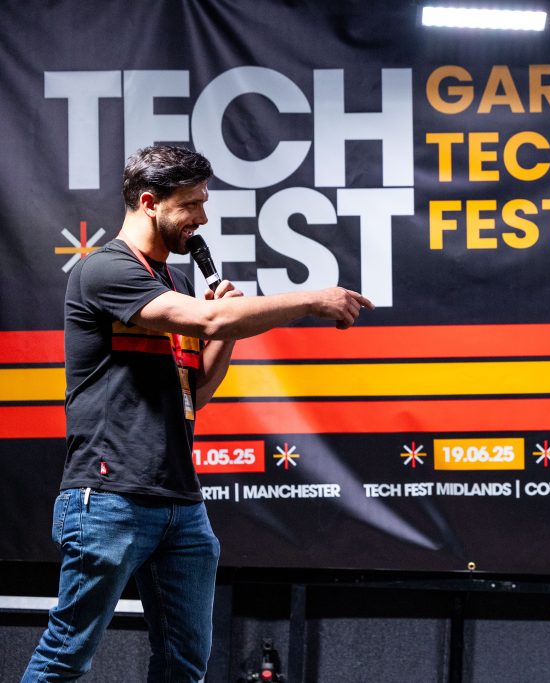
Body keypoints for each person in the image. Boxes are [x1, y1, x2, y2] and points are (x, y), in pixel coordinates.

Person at [23, 145, 373, 682]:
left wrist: (225, 331)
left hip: (181, 503)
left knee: (184, 664)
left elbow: (197, 391)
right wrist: (308, 301)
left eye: (203, 204)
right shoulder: (105, 270)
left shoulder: (177, 283)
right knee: (66, 655)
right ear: (149, 203)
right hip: (110, 498)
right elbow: (208, 320)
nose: (202, 219)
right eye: (191, 205)